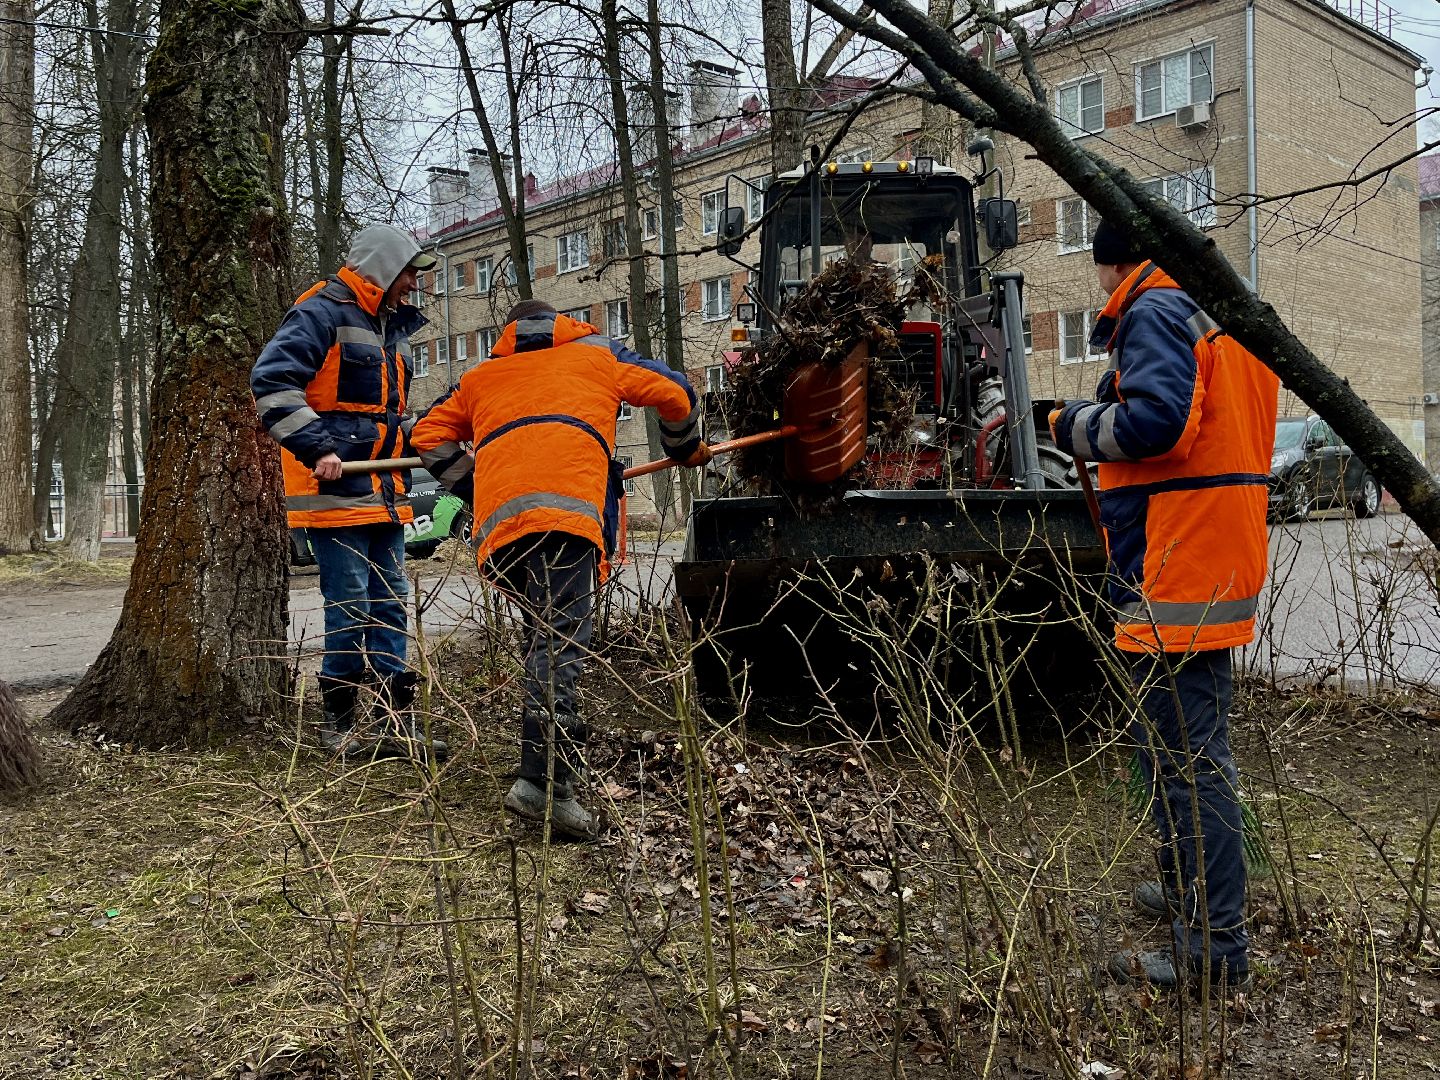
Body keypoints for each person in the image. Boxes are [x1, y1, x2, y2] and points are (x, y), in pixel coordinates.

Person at [1050, 219, 1278, 992]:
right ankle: (1188, 896)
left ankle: (1215, 948)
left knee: (1189, 763)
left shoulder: (1153, 310)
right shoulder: (1220, 311)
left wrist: (1068, 425)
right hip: (1205, 559)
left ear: (1112, 262)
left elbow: (1155, 427)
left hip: (1179, 565)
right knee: (1175, 751)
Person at [410, 299, 710, 839]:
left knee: (543, 641)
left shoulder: (481, 374)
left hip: (504, 533)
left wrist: (477, 487)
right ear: (561, 326)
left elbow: (428, 433)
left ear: (511, 333)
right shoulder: (597, 353)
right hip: (566, 520)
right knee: (560, 646)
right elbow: (678, 393)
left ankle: (546, 774)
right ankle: (543, 784)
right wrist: (684, 447)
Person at [252, 223, 447, 760]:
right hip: (333, 487)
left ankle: (395, 725)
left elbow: (385, 417)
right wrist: (316, 448)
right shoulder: (321, 311)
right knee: (351, 607)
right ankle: (337, 722)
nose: (413, 284)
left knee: (390, 605)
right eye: (408, 272)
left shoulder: (390, 327)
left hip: (385, 487)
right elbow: (271, 382)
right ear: (384, 269)